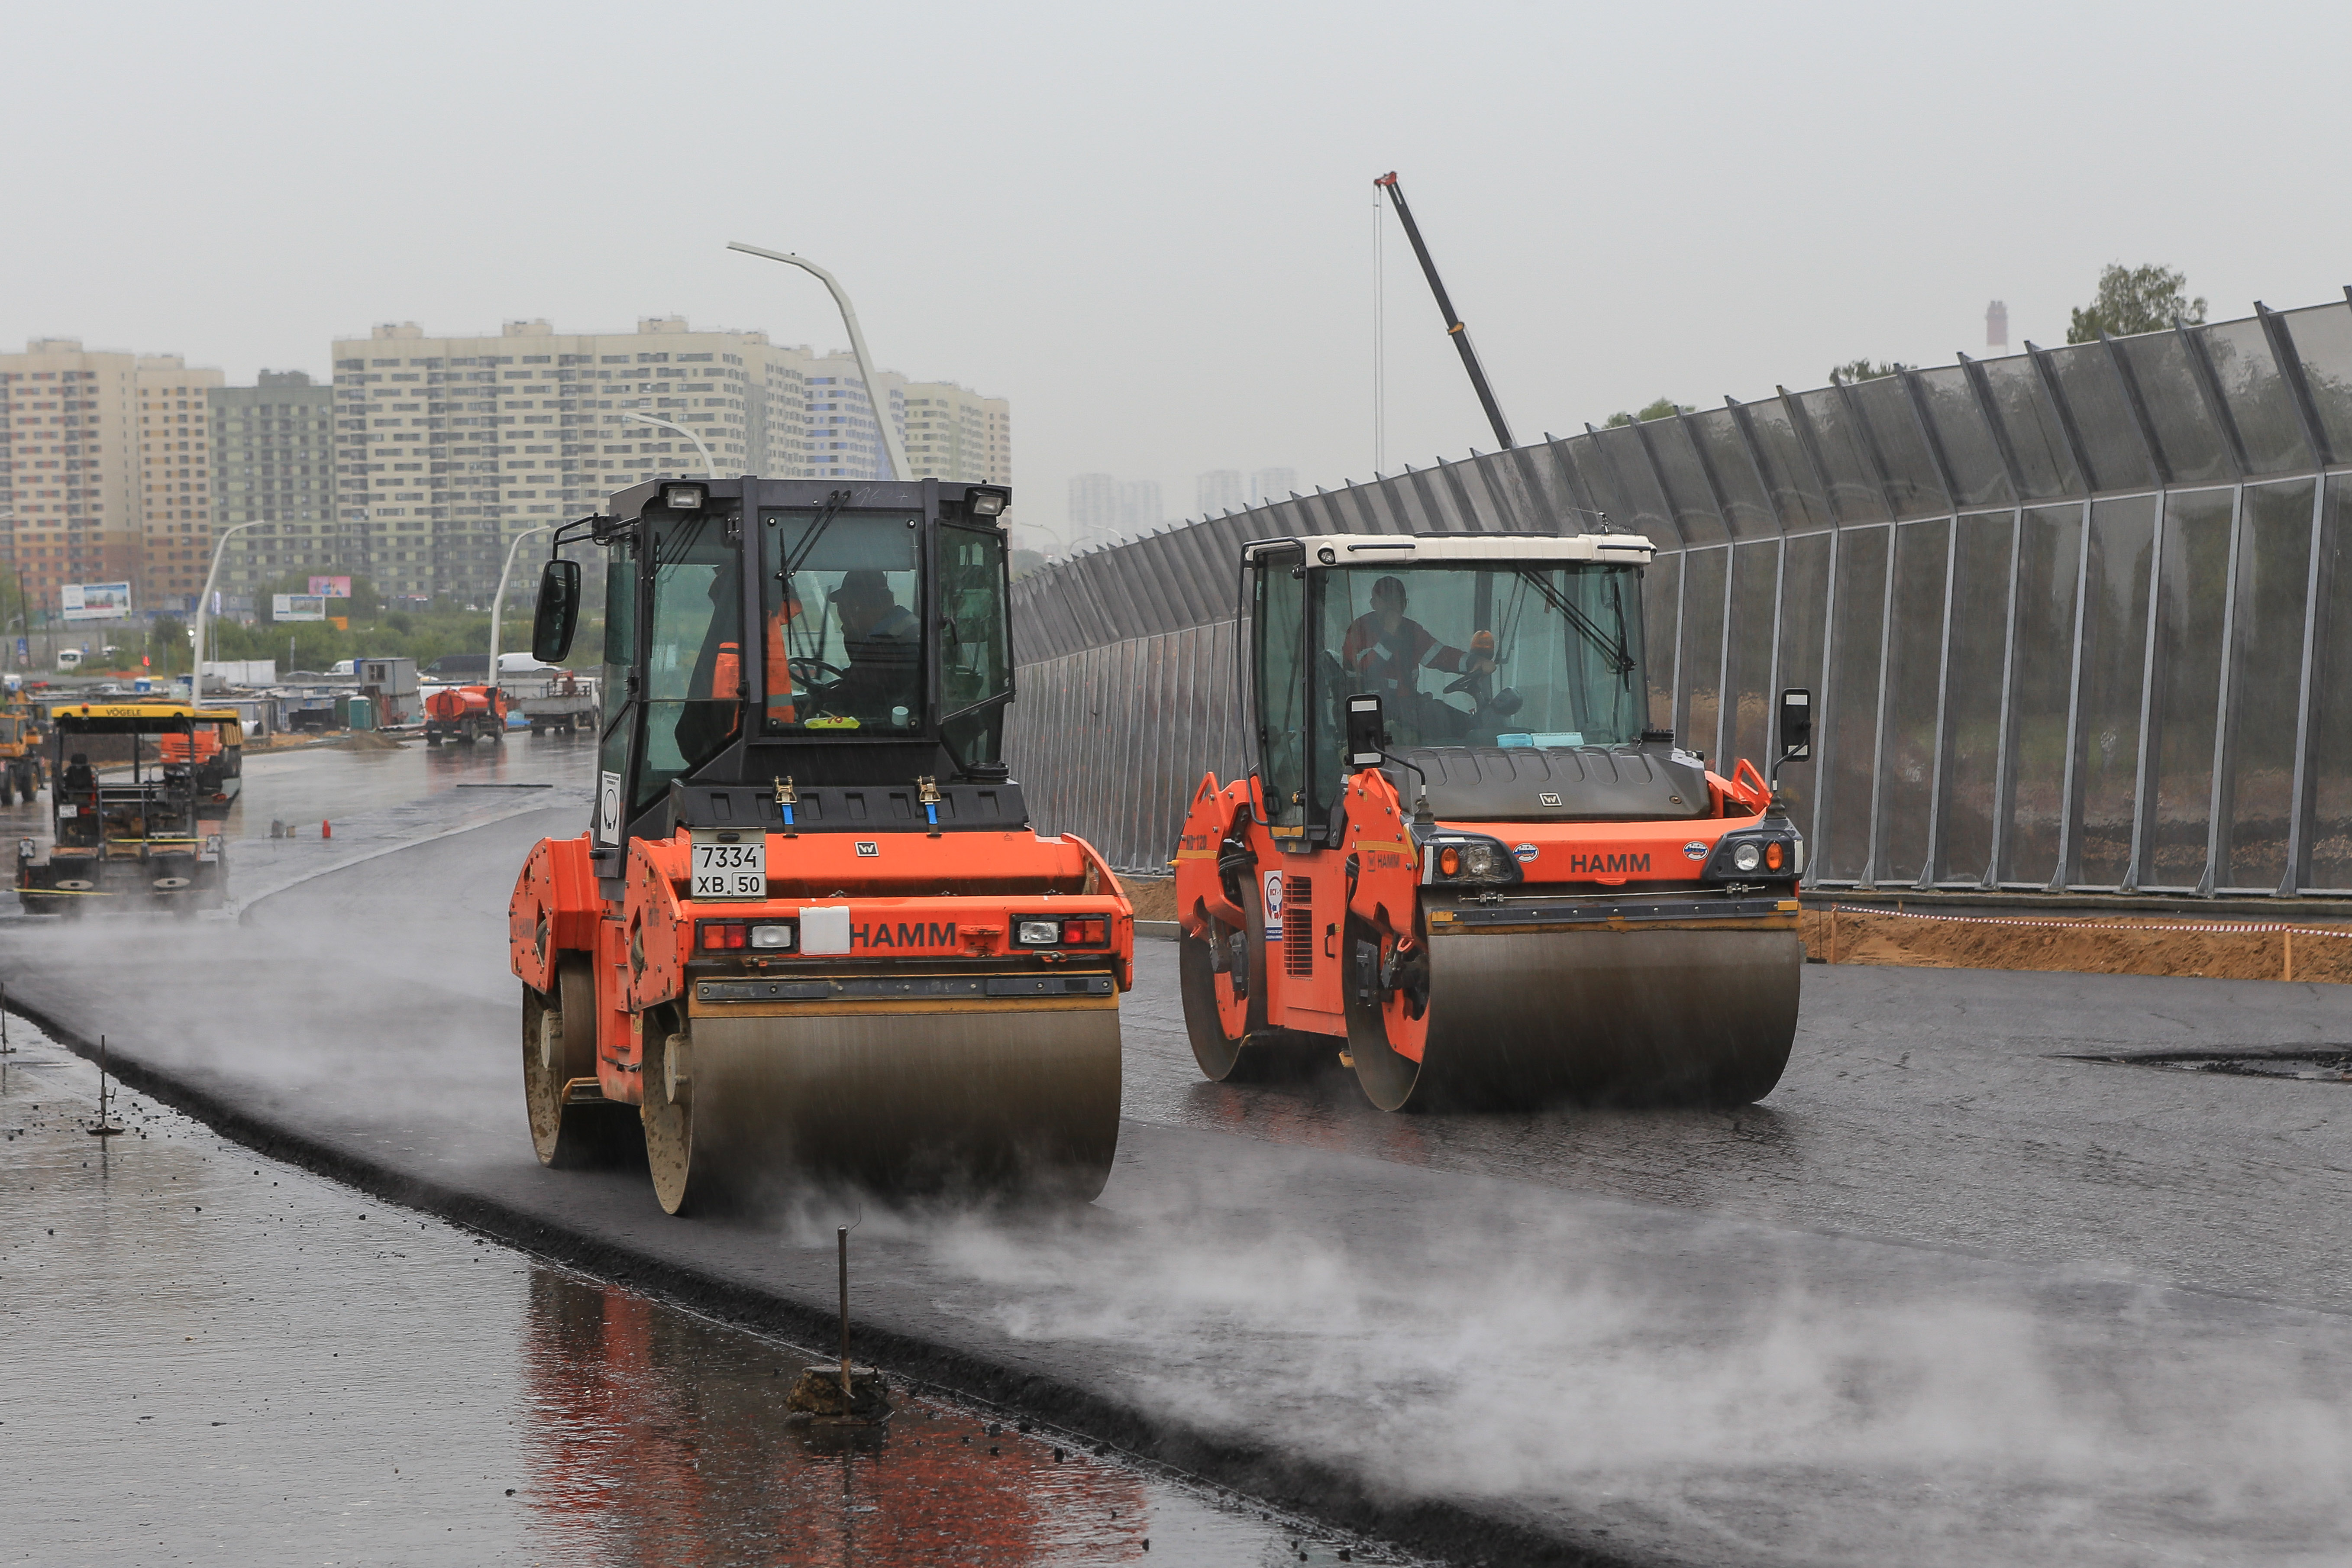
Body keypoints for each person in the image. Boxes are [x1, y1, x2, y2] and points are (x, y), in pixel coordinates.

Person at [1338, 576, 1493, 741]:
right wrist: (1389, 636)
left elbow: (1440, 655)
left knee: (1463, 724)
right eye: (1386, 601)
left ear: (1405, 604)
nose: (1392, 607)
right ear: (1374, 604)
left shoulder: (1411, 631)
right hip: (1373, 711)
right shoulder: (1360, 630)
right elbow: (1363, 668)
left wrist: (1473, 662)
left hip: (1409, 707)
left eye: (1396, 601)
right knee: (1435, 716)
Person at [826, 570, 921, 723]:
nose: (842, 614)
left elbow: (859, 688)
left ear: (857, 606)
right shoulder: (903, 623)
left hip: (890, 724)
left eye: (844, 607)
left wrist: (818, 701)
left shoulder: (883, 640)